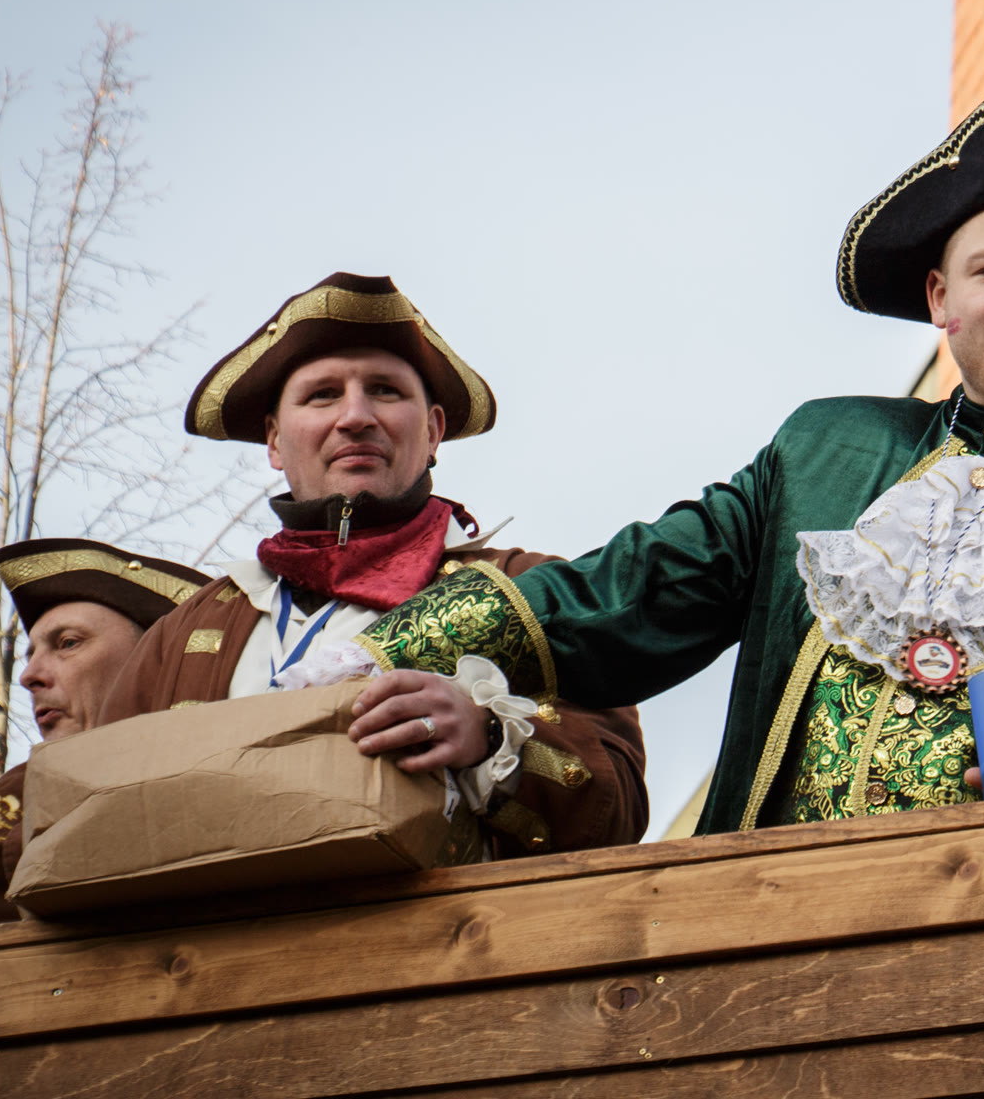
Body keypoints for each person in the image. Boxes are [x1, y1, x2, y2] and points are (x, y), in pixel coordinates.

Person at [309, 93, 984, 834]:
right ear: (941, 299)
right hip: (767, 921)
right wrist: (388, 650)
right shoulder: (825, 449)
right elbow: (642, 586)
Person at [97, 272, 648, 856]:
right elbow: (94, 819)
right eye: (322, 395)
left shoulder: (527, 586)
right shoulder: (182, 632)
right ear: (275, 442)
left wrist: (487, 737)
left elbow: (619, 814)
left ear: (432, 431)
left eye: (385, 390)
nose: (355, 415)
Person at [0, 539, 207, 931]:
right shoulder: (34, 785)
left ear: (151, 661)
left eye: (68, 643)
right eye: (31, 656)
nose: (29, 676)